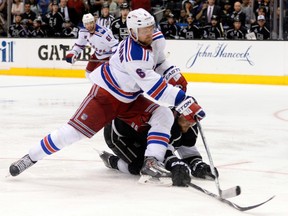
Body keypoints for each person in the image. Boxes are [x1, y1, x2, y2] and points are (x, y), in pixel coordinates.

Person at [9, 8, 205, 186]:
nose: (149, 32)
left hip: (131, 98)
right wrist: (183, 100)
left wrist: (173, 74)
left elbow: (159, 61)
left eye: (151, 27)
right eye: (144, 29)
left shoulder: (156, 39)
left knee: (163, 114)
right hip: (106, 97)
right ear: (133, 32)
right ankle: (31, 156)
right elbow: (155, 88)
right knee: (71, 133)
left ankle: (152, 161)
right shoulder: (133, 54)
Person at [100, 111, 219, 182]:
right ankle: (112, 161)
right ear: (178, 114)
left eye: (192, 122)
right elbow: (163, 152)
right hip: (118, 134)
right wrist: (175, 164)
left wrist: (197, 164)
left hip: (144, 137)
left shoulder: (190, 124)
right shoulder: (167, 121)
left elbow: (187, 148)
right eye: (186, 121)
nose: (189, 125)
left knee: (152, 163)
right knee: (141, 167)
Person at [65, 13, 119, 77]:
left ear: (94, 22)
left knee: (98, 76)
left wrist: (113, 59)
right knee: (88, 74)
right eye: (86, 24)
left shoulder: (104, 33)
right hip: (97, 55)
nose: (89, 25)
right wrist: (73, 53)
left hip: (107, 56)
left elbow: (115, 45)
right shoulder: (83, 32)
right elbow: (79, 45)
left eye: (90, 23)